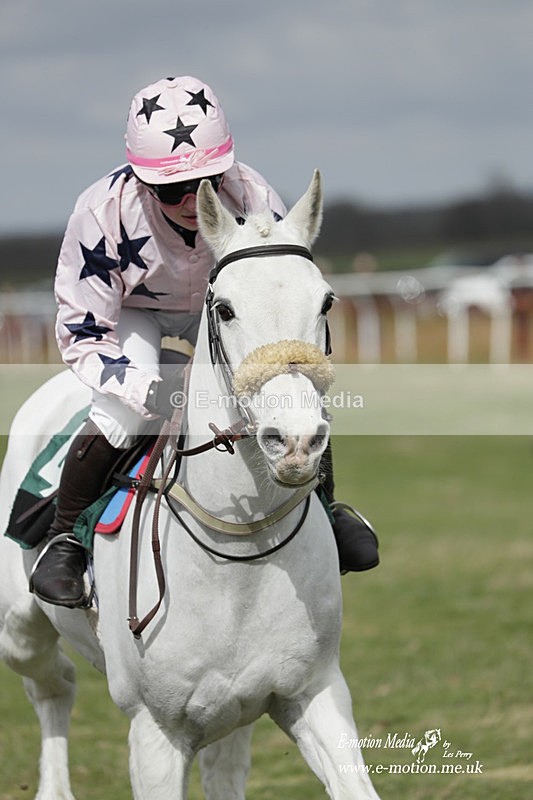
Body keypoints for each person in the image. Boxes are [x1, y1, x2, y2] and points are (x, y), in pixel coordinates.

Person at [30, 76, 379, 608]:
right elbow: (83, 331)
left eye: (209, 181)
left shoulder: (256, 196)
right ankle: (64, 539)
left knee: (290, 394)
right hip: (134, 314)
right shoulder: (99, 213)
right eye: (172, 190)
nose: (193, 201)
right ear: (141, 179)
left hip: (221, 309)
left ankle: (326, 509)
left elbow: (278, 293)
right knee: (123, 416)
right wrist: (147, 390)